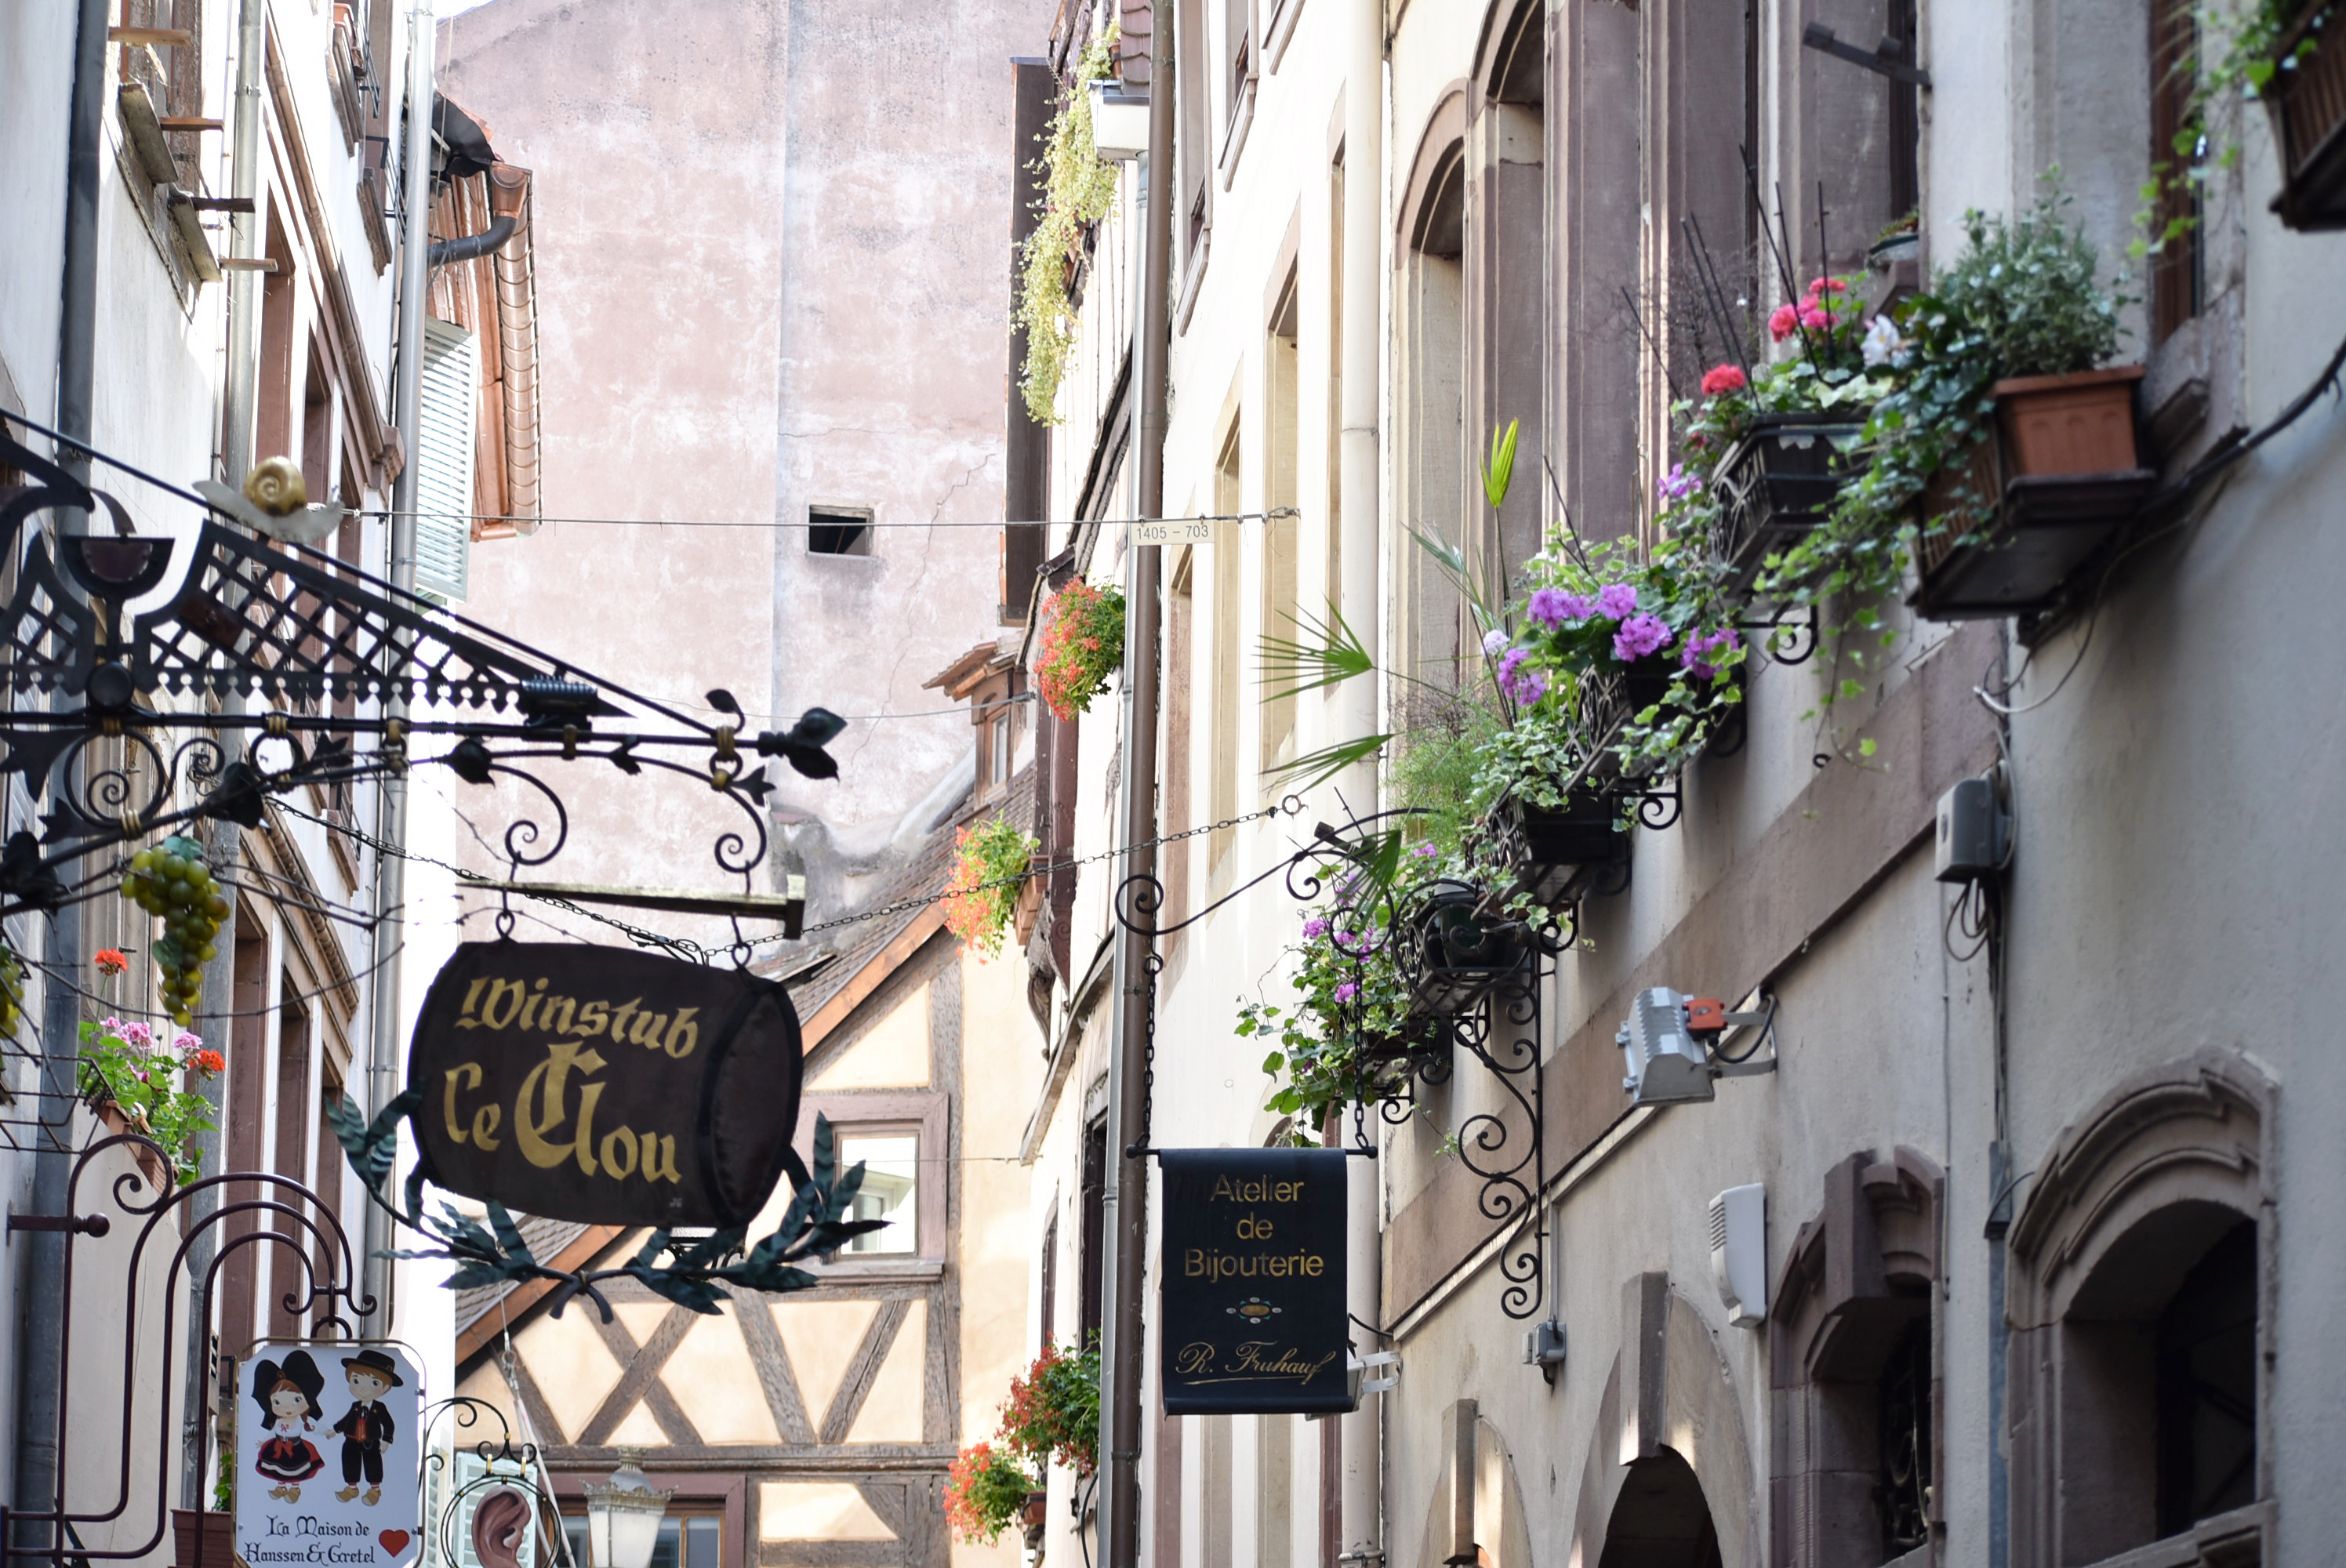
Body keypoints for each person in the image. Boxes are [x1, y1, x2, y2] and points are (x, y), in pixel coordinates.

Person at [251, 1352, 327, 1502]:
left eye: (296, 1400)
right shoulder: (278, 1421)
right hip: (278, 1446)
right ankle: (281, 1487)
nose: (286, 1407)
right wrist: (263, 1441)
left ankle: (295, 1489)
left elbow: (315, 1425)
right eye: (277, 1402)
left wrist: (325, 1431)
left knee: (296, 1469)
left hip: (296, 1447)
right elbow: (273, 1432)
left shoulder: (300, 1419)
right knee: (279, 1469)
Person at [332, 1348, 403, 1506]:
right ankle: (352, 1488)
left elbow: (389, 1424)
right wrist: (335, 1430)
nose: (363, 1388)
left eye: (374, 1383)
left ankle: (374, 1490)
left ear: (385, 1387)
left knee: (373, 1464)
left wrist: (387, 1440)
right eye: (356, 1381)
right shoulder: (355, 1406)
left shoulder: (380, 1408)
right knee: (350, 1462)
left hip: (371, 1441)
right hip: (351, 1440)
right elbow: (346, 1420)